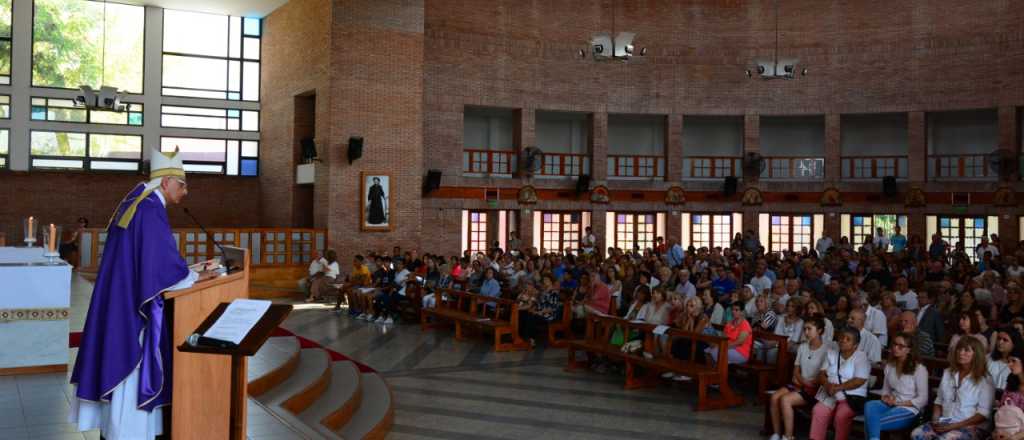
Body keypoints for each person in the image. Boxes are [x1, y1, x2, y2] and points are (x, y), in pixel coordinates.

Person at [70, 148, 215, 439]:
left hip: (122, 299)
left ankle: (120, 429)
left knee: (121, 361)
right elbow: (160, 269)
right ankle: (129, 432)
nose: (185, 192)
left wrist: (189, 271)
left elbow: (150, 262)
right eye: (182, 184)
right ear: (165, 183)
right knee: (131, 365)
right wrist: (196, 275)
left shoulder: (138, 202)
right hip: (131, 310)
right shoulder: (150, 209)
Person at [911, 337, 994, 440]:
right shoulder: (948, 372)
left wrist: (954, 426)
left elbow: (983, 414)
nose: (961, 353)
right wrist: (936, 420)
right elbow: (939, 400)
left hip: (971, 426)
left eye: (966, 350)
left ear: (976, 354)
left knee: (945, 439)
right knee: (917, 434)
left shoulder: (984, 379)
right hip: (946, 421)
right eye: (959, 349)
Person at [768, 316, 830, 440]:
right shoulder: (803, 347)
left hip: (814, 388)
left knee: (785, 400)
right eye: (804, 329)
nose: (806, 332)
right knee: (774, 397)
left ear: (819, 331)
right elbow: (796, 370)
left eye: (809, 329)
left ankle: (788, 436)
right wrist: (801, 381)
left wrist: (805, 383)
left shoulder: (826, 350)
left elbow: (821, 376)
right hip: (800, 383)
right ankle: (776, 434)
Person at [863, 332, 929, 440]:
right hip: (892, 403)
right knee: (870, 405)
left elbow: (923, 399)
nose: (895, 348)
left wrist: (898, 403)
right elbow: (885, 390)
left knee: (873, 421)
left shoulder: (919, 369)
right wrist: (886, 397)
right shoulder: (890, 366)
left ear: (909, 350)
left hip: (910, 409)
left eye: (901, 346)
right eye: (894, 344)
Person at [809, 326, 871, 440]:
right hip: (829, 394)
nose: (843, 340)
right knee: (818, 410)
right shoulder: (831, 353)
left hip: (851, 398)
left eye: (848, 339)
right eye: (842, 337)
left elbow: (859, 380)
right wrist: (827, 385)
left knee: (841, 416)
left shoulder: (861, 357)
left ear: (855, 345)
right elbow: (822, 374)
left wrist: (838, 388)